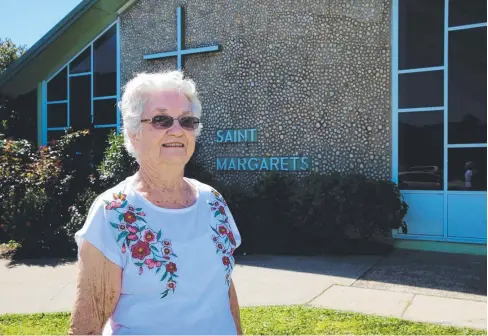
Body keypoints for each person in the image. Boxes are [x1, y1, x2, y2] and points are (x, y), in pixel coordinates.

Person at [69, 71, 242, 335]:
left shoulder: (214, 202)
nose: (177, 130)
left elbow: (224, 291)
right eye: (161, 120)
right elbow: (87, 326)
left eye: (187, 120)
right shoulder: (113, 212)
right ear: (133, 133)